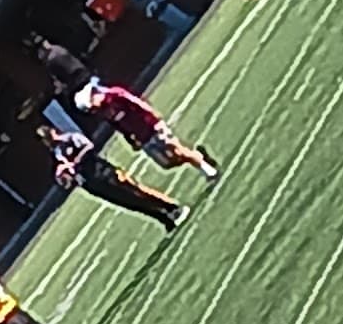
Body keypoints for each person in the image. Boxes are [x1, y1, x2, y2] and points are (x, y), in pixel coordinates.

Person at [36, 125, 189, 231]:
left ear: (53, 131)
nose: (49, 141)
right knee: (127, 202)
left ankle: (172, 207)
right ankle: (162, 218)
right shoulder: (57, 154)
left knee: (136, 190)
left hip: (103, 171)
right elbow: (66, 176)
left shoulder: (71, 138)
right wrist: (64, 177)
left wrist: (75, 162)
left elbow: (89, 146)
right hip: (91, 184)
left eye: (47, 137)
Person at [73, 80, 219, 181]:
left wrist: (156, 120)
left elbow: (139, 104)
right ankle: (198, 155)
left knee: (177, 150)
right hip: (143, 138)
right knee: (167, 163)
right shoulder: (103, 112)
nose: (93, 110)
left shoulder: (115, 95)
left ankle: (206, 169)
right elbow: (118, 126)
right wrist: (131, 140)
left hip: (152, 127)